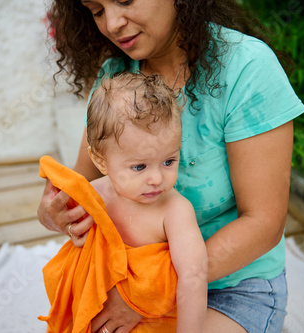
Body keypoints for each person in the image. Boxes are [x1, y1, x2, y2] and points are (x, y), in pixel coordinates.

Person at [38, 1, 304, 332]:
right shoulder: (117, 76)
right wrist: (55, 211)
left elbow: (264, 223)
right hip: (131, 277)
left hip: (233, 289)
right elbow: (83, 180)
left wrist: (144, 292)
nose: (112, 22)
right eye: (96, 10)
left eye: (124, 0)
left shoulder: (247, 68)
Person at [38, 72, 207, 333]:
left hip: (155, 318)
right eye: (139, 166)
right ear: (101, 161)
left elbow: (193, 277)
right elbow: (74, 249)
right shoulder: (94, 197)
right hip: (100, 306)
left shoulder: (174, 211)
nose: (156, 178)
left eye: (169, 161)